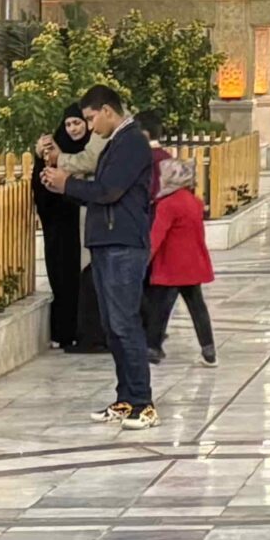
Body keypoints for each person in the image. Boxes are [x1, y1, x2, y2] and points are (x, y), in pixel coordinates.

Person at [41, 83, 159, 430]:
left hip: (124, 244)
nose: (91, 127)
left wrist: (68, 183)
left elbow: (109, 191)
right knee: (112, 326)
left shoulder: (131, 141)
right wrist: (63, 187)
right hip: (107, 241)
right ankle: (126, 398)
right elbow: (97, 193)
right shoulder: (115, 143)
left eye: (92, 119)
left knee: (125, 324)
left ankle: (143, 403)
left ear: (108, 110)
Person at [144, 155, 217, 365]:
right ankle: (209, 350)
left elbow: (156, 236)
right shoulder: (194, 202)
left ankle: (152, 348)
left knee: (160, 308)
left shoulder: (167, 205)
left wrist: (145, 259)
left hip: (171, 266)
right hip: (193, 265)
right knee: (198, 308)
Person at [33, 105, 93, 352]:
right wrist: (41, 160)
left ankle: (87, 332)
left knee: (87, 280)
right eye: (69, 124)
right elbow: (40, 187)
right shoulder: (53, 150)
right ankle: (64, 332)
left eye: (77, 123)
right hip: (61, 228)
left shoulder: (92, 150)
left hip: (84, 223)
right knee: (63, 280)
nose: (73, 129)